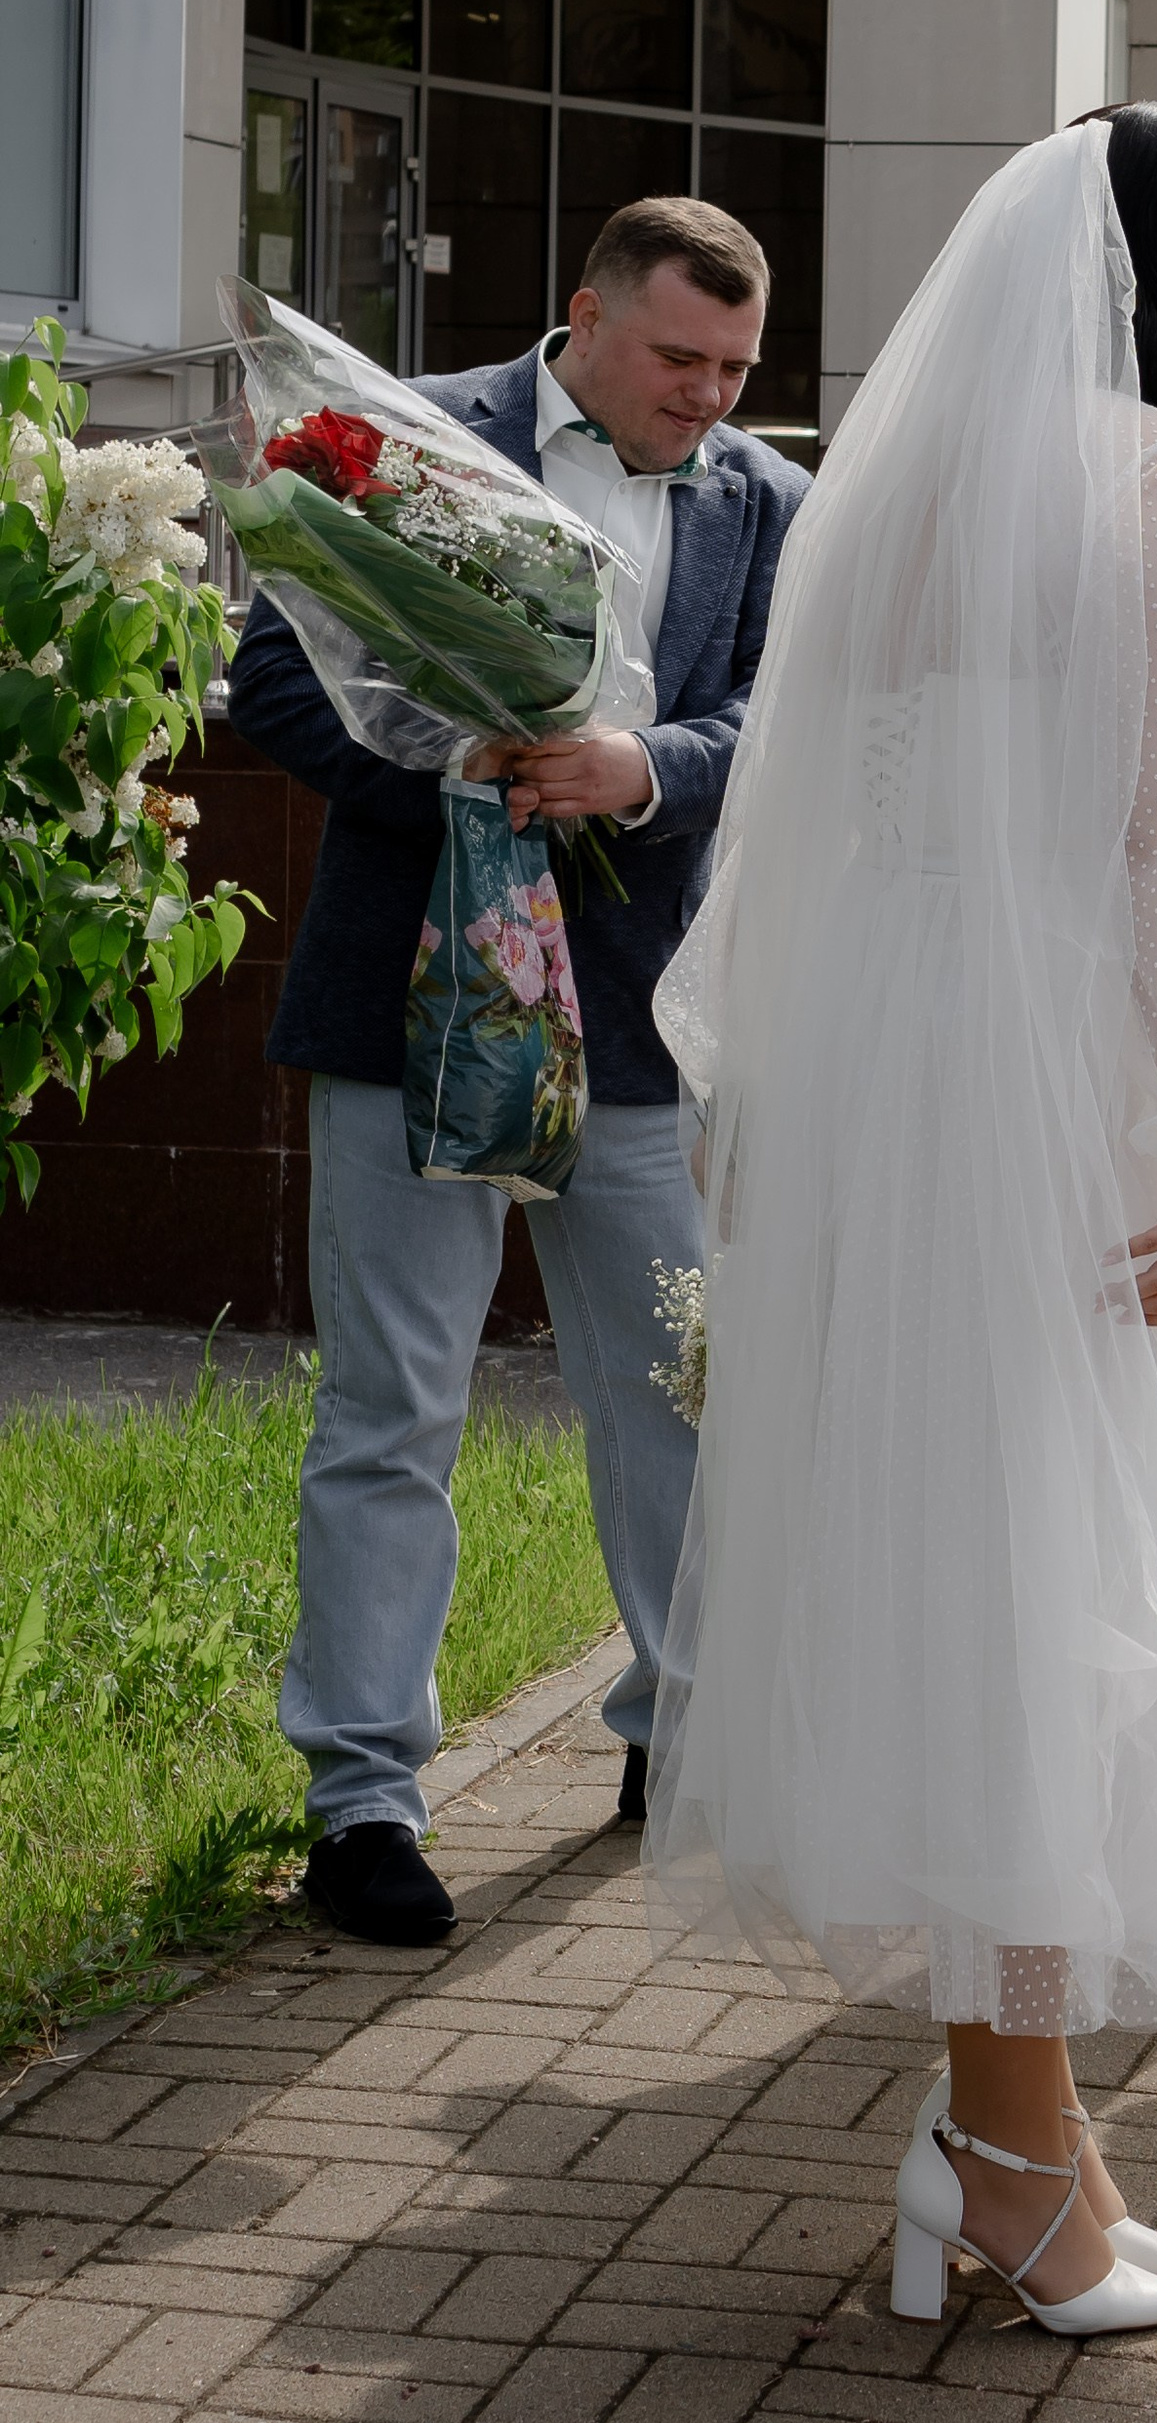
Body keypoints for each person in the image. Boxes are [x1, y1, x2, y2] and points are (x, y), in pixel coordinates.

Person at [643, 108, 1157, 2342]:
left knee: (978, 1591)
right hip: (1073, 1073)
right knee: (1066, 1601)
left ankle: (1018, 2138)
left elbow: (812, 830)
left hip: (901, 1071)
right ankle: (1012, 2160)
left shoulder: (900, 485)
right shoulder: (1154, 483)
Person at [225, 198, 807, 1946]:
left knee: (678, 1400)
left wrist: (640, 769)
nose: (706, 397)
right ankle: (365, 1801)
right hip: (404, 1006)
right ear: (585, 314)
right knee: (394, 1401)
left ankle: (680, 1731)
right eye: (678, 359)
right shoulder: (405, 442)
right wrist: (471, 766)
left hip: (637, 1024)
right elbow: (277, 681)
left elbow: (785, 721)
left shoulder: (772, 502)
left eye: (735, 370)